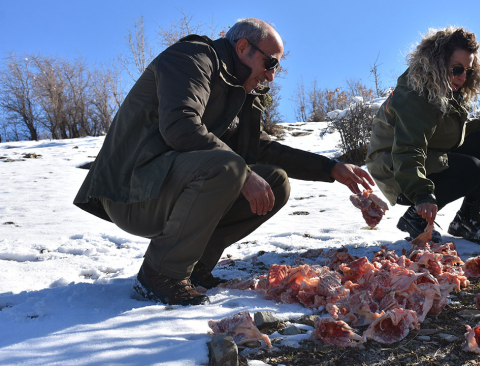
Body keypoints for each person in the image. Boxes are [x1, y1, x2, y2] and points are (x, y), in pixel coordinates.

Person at [74, 18, 374, 306]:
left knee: (274, 181)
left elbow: (260, 149)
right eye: (270, 63)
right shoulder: (192, 58)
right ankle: (161, 273)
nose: (271, 75)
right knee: (229, 168)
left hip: (164, 187)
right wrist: (241, 172)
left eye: (276, 68)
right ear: (243, 48)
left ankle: (194, 267)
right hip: (132, 191)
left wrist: (331, 168)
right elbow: (181, 125)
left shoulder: (238, 91)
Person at [366, 27, 480, 245]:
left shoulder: (447, 90)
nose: (462, 77)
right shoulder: (414, 96)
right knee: (471, 169)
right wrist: (421, 194)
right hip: (395, 168)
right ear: (436, 62)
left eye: (468, 71)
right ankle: (417, 218)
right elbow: (408, 149)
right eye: (456, 69)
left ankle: (466, 219)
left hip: (424, 156)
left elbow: (449, 131)